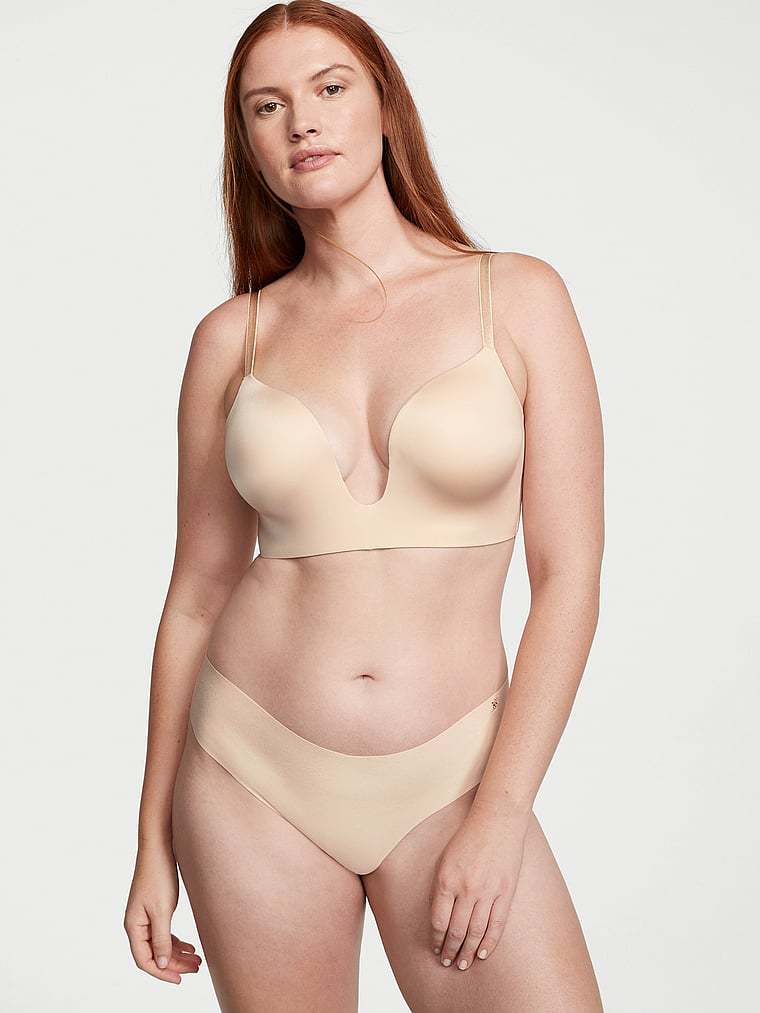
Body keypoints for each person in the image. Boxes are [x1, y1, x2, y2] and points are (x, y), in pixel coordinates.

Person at [123, 3, 606, 1010]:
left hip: (455, 776)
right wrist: (149, 841)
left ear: (385, 106)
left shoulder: (517, 298)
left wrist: (500, 812)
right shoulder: (231, 339)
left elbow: (567, 578)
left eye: (329, 88)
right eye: (267, 106)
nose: (301, 120)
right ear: (248, 143)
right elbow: (196, 595)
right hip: (249, 771)